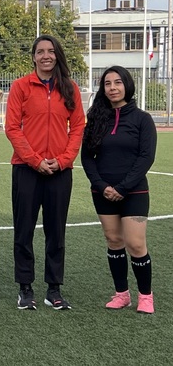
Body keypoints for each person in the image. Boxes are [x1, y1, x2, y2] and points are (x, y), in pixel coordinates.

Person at [5, 34, 85, 311]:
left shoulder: (70, 89)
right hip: (26, 169)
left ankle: (54, 288)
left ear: (57, 55)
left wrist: (62, 161)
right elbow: (12, 128)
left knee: (56, 231)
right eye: (41, 51)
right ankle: (25, 289)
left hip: (60, 172)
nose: (46, 56)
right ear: (34, 57)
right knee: (24, 230)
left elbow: (77, 128)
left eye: (51, 51)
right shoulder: (20, 86)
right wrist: (35, 160)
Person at [81, 65, 156, 314]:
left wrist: (122, 187)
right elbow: (87, 158)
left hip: (133, 191)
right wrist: (102, 186)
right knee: (114, 240)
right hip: (103, 192)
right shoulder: (95, 118)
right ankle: (121, 294)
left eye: (118, 82)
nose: (112, 88)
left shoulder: (142, 119)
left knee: (135, 244)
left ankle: (145, 296)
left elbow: (146, 157)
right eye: (107, 84)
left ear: (127, 85)